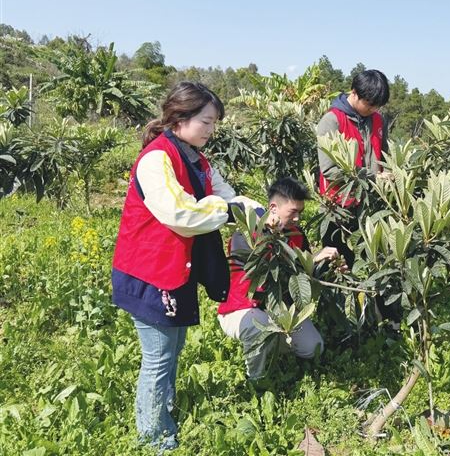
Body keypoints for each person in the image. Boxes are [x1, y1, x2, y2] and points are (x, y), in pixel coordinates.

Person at [112, 81, 261, 452]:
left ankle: (165, 410)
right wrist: (228, 211)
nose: (211, 131)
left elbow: (226, 195)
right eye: (207, 122)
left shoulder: (196, 158)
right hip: (149, 272)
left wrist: (260, 211)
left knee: (172, 348)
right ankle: (154, 436)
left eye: (214, 124)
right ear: (181, 118)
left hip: (175, 270)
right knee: (159, 356)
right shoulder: (156, 158)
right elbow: (180, 214)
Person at [217, 177, 338, 380]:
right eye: (293, 212)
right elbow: (261, 275)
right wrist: (272, 238)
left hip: (280, 309)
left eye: (300, 211)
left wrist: (327, 266)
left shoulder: (295, 233)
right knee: (259, 327)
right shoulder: (247, 234)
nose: (298, 218)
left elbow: (304, 273)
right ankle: (256, 379)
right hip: (243, 309)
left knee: (313, 347)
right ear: (273, 208)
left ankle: (274, 345)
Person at [316, 69, 390, 268]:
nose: (373, 109)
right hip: (338, 208)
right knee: (337, 264)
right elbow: (329, 170)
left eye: (377, 106)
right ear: (354, 93)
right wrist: (373, 178)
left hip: (370, 205)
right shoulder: (331, 121)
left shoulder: (378, 120)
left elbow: (386, 157)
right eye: (369, 104)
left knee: (375, 261)